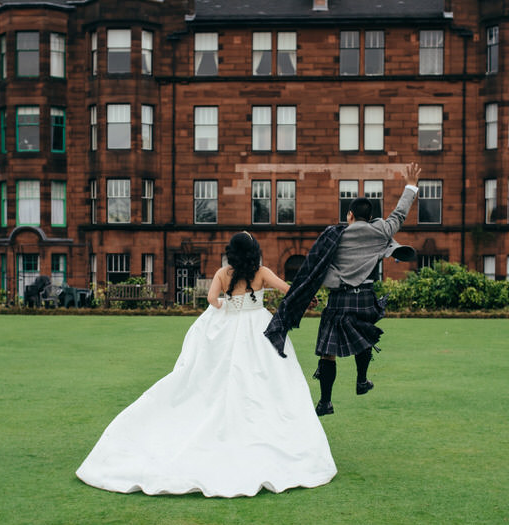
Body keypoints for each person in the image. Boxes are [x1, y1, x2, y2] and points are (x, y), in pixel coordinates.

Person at [76, 232, 337, 497]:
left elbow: (212, 300)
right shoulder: (262, 272)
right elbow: (288, 289)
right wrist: (308, 299)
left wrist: (228, 303)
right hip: (258, 326)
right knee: (266, 379)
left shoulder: (223, 273)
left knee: (218, 375)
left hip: (230, 323)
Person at [265, 163, 420, 416]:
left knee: (328, 353)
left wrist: (322, 286)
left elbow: (316, 267)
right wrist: (410, 185)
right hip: (365, 298)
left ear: (350, 215)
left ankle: (325, 402)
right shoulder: (380, 230)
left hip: (339, 299)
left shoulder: (334, 236)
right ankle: (361, 380)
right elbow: (399, 215)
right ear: (368, 217)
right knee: (365, 336)